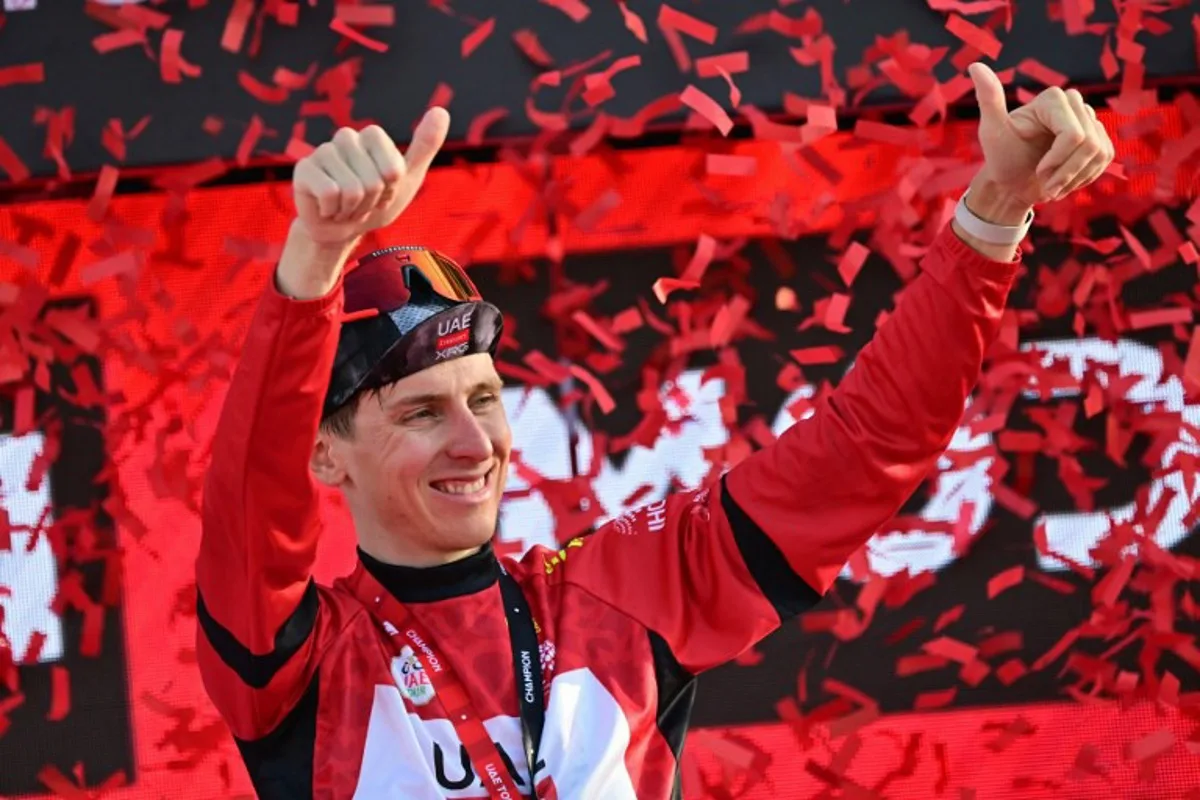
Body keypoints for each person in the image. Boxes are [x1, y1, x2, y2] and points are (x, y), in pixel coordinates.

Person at [196, 62, 1114, 799]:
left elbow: (868, 448)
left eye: (484, 399)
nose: (475, 444)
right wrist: (313, 261)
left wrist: (993, 214)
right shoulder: (298, 660)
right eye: (421, 413)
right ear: (325, 453)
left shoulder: (618, 592)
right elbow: (251, 502)